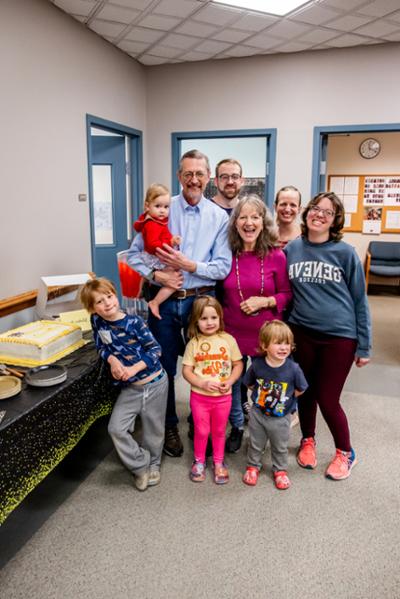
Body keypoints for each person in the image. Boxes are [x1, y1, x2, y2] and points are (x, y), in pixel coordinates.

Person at [127, 150, 231, 458]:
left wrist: (189, 265)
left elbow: (222, 267)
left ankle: (201, 421)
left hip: (201, 304)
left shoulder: (219, 217)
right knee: (165, 367)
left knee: (207, 364)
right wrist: (157, 273)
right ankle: (169, 424)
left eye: (200, 174)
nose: (194, 179)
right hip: (166, 305)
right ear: (179, 176)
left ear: (208, 177)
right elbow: (133, 254)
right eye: (188, 174)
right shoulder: (162, 207)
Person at [284, 191, 371, 481]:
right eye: (315, 209)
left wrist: (365, 344)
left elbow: (360, 299)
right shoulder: (292, 249)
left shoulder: (344, 252)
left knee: (328, 398)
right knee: (304, 390)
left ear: (335, 221)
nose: (319, 215)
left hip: (339, 336)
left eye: (328, 212)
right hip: (301, 332)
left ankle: (345, 452)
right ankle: (307, 440)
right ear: (307, 213)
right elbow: (285, 293)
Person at [80, 277, 168, 491]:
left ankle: (154, 463)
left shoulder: (134, 322)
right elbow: (101, 344)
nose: (107, 303)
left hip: (154, 383)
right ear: (92, 309)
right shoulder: (97, 321)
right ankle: (140, 465)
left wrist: (132, 369)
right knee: (116, 428)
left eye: (109, 296)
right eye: (100, 302)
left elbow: (156, 351)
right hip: (131, 389)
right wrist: (112, 361)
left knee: (153, 430)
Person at [221, 194, 292, 453]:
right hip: (232, 334)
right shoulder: (226, 254)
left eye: (255, 217)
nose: (249, 223)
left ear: (263, 223)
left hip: (266, 336)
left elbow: (286, 294)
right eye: (243, 217)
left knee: (265, 387)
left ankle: (264, 432)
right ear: (235, 223)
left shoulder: (276, 256)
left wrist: (264, 302)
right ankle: (238, 427)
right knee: (236, 387)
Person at [182, 296, 243, 484]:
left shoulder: (228, 340)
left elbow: (238, 364)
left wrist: (231, 381)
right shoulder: (194, 343)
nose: (209, 322)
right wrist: (202, 383)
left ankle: (218, 462)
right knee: (201, 430)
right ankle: (199, 461)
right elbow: (186, 370)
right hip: (200, 397)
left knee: (218, 430)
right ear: (196, 321)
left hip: (223, 398)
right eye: (204, 318)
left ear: (220, 318)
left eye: (213, 318)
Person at [242, 320, 308, 490]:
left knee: (280, 446)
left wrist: (287, 400)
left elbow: (301, 389)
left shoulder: (293, 369)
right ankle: (253, 466)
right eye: (278, 343)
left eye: (287, 343)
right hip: (258, 414)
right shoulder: (257, 365)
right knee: (256, 443)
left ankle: (280, 470)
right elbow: (249, 384)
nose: (284, 347)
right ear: (264, 345)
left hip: (281, 418)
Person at [133, 183, 181, 320]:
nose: (162, 211)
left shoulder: (157, 221)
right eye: (158, 206)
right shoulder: (152, 224)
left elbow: (162, 236)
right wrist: (171, 243)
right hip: (155, 257)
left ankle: (141, 290)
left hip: (152, 257)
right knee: (176, 278)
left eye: (166, 207)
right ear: (147, 206)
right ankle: (156, 302)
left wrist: (171, 239)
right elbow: (152, 244)